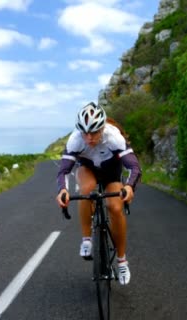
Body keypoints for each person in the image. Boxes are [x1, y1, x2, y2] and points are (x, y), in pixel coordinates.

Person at [56, 102, 142, 285]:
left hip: (111, 172)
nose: (89, 138)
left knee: (115, 207)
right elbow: (63, 171)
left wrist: (129, 187)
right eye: (85, 133)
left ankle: (121, 260)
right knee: (86, 190)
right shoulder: (75, 140)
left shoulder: (114, 138)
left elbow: (134, 167)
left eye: (94, 132)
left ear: (102, 128)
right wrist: (63, 190)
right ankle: (86, 240)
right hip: (87, 169)